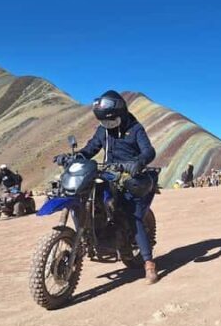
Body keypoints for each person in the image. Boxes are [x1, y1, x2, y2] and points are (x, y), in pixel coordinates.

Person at [55, 90, 159, 284]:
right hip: (108, 173)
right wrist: (73, 157)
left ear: (121, 113)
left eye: (111, 121)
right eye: (104, 122)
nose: (108, 125)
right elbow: (90, 149)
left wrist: (138, 162)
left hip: (129, 175)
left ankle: (149, 263)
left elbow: (149, 151)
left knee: (132, 215)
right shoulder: (103, 130)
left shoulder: (135, 129)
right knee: (87, 196)